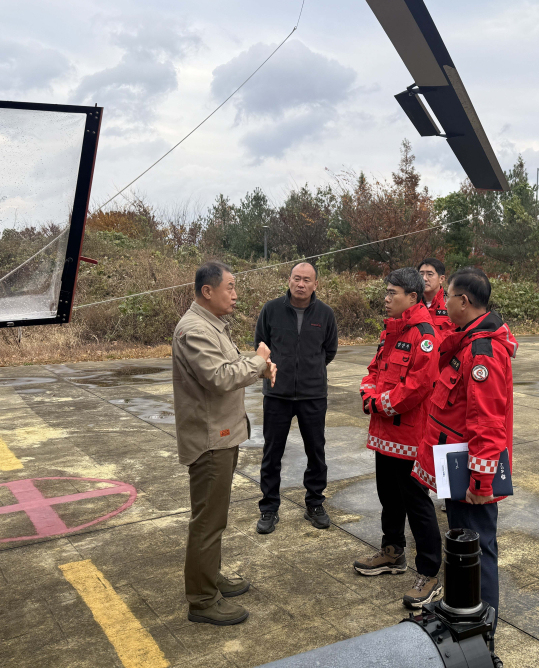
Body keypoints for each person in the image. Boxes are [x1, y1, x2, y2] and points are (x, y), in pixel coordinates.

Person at [412, 267, 516, 663]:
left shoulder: (482, 352)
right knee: (462, 546)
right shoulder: (468, 342)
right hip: (454, 461)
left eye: (448, 297)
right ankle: (465, 619)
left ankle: (483, 636)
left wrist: (480, 478)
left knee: (477, 550)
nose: (443, 304)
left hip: (468, 470)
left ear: (465, 302)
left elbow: (487, 423)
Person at [172, 261, 278, 626]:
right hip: (209, 440)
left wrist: (256, 364)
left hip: (221, 434)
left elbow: (230, 366)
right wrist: (259, 362)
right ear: (207, 291)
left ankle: (209, 577)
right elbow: (219, 377)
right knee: (207, 521)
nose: (235, 295)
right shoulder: (194, 329)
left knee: (214, 519)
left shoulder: (211, 325)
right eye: (229, 288)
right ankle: (202, 600)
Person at [354, 268, 443, 608]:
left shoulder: (424, 334)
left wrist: (381, 403)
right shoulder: (391, 331)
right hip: (384, 432)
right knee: (388, 496)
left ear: (413, 297)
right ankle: (392, 552)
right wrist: (369, 393)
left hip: (409, 435)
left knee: (416, 504)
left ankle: (430, 572)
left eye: (393, 293)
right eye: (386, 292)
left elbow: (419, 385)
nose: (386, 298)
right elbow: (374, 370)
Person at [255, 262, 338, 533]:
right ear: (288, 280)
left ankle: (314, 503)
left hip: (312, 395)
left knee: (316, 452)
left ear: (315, 285)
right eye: (296, 278)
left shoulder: (325, 314)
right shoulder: (271, 309)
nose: (300, 284)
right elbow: (262, 346)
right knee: (272, 453)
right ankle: (269, 508)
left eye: (306, 280)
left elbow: (329, 350)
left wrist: (309, 371)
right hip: (277, 394)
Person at [418, 258, 456, 340]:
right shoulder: (411, 303)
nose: (424, 278)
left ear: (441, 279)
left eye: (429, 274)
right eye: (421, 274)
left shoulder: (452, 304)